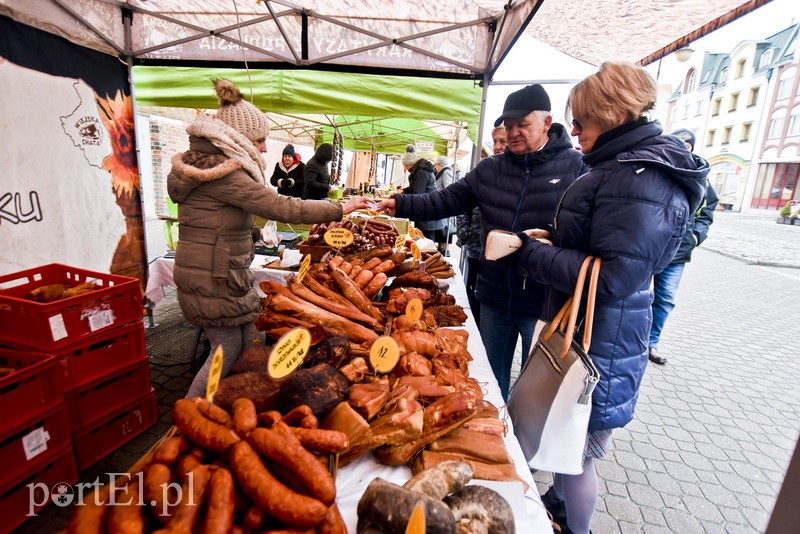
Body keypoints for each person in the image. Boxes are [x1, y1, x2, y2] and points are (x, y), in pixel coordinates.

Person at [505, 63, 708, 534]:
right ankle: (559, 507)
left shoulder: (641, 175)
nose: (574, 130)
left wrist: (534, 255)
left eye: (582, 120)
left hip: (603, 342)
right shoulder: (622, 167)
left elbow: (616, 275)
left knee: (578, 455)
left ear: (613, 112)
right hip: (592, 332)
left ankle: (578, 529)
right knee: (567, 444)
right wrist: (554, 238)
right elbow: (604, 245)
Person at [378, 85, 586, 399]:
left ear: (547, 123)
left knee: (539, 389)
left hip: (545, 300)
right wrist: (400, 204)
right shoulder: (490, 169)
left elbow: (582, 229)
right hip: (495, 296)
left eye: (523, 125)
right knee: (488, 380)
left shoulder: (576, 167)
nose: (513, 133)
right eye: (509, 125)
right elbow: (445, 200)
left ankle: (523, 430)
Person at [167, 79, 371, 398]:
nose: (264, 148)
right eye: (260, 140)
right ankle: (190, 410)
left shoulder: (214, 168)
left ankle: (234, 401)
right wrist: (340, 207)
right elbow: (282, 207)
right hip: (213, 276)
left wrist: (251, 233)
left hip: (219, 270)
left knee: (251, 339)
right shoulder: (225, 173)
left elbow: (212, 220)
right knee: (226, 348)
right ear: (238, 137)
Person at [648, 129, 718, 364]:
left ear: (692, 148)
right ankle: (633, 341)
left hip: (678, 252)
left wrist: (695, 238)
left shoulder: (699, 176)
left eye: (687, 145)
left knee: (665, 298)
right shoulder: (658, 168)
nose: (682, 148)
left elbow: (707, 212)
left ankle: (650, 343)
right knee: (636, 297)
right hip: (650, 248)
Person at [456, 125, 507, 327]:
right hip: (475, 247)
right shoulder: (483, 174)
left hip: (498, 257)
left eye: (503, 142)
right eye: (495, 142)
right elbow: (462, 208)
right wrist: (465, 234)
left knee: (487, 299)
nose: (498, 146)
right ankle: (473, 326)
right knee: (472, 289)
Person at [399, 144, 444, 238]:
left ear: (411, 164)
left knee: (425, 243)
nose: (407, 169)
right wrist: (403, 191)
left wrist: (401, 200)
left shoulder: (421, 173)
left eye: (407, 166)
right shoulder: (421, 170)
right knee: (424, 242)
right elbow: (416, 187)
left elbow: (417, 194)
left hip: (427, 217)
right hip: (428, 214)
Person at [433, 155, 456, 255]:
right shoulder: (442, 172)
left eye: (436, 164)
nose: (435, 167)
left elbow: (449, 189)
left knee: (444, 237)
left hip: (445, 209)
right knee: (441, 237)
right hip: (441, 208)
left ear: (439, 164)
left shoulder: (446, 172)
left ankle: (445, 256)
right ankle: (441, 254)